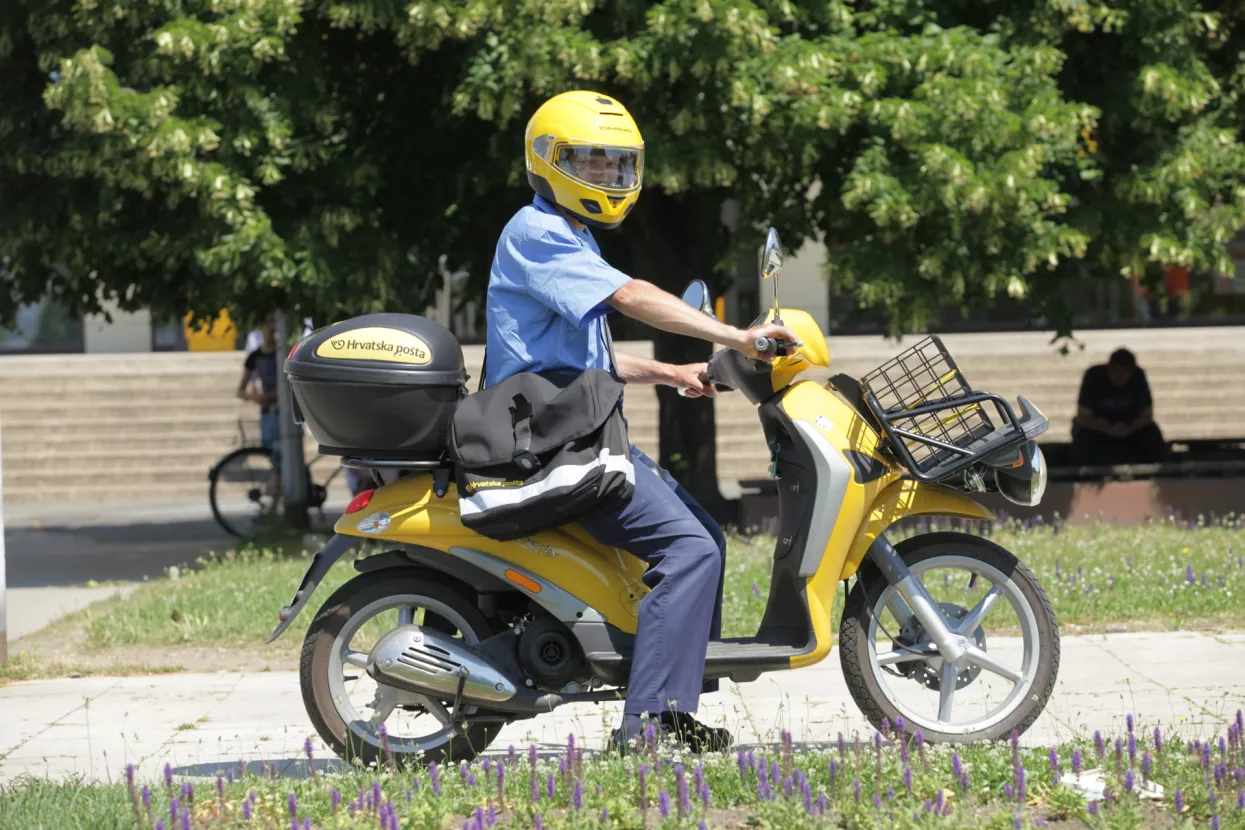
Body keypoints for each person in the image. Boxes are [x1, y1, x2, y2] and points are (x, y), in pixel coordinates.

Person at [484, 90, 797, 754]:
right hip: (548, 443)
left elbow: (585, 356)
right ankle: (645, 726)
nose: (605, 177)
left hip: (572, 429)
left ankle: (673, 705)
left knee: (702, 534)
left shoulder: (569, 236)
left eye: (615, 166)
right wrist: (737, 337)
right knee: (688, 549)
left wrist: (673, 373)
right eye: (590, 164)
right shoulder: (537, 232)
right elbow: (630, 296)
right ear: (548, 162)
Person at [1071, 347, 1167, 466]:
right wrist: (1106, 428)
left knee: (1152, 435)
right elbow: (1083, 416)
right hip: (1098, 430)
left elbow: (1147, 415)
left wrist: (1130, 427)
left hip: (1130, 429)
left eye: (1124, 375)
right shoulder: (1093, 376)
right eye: (1116, 373)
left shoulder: (1138, 377)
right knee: (1084, 438)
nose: (1120, 378)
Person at [237, 314, 282, 492]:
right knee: (274, 454)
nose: (271, 329)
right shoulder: (255, 357)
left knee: (283, 456)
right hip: (267, 411)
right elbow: (240, 390)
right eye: (268, 324)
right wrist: (256, 398)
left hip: (283, 410)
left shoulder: (283, 353)